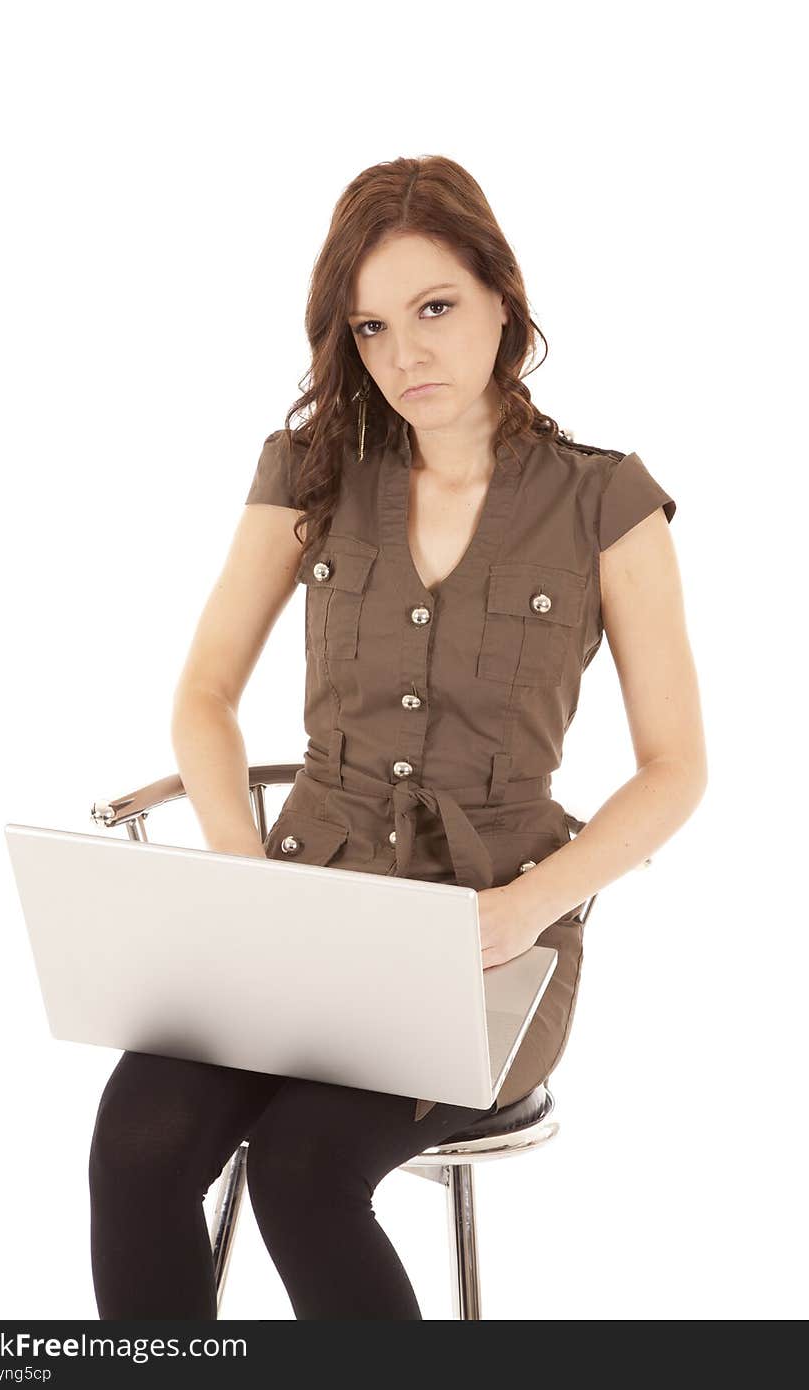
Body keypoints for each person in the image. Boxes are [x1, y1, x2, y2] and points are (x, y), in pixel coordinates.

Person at [88, 154, 707, 1320]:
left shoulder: (605, 502)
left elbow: (676, 769)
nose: (404, 353)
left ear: (501, 301)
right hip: (301, 917)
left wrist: (530, 906)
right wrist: (240, 871)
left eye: (434, 309)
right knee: (137, 1142)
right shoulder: (311, 473)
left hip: (489, 944)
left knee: (305, 1172)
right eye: (371, 328)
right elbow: (205, 693)